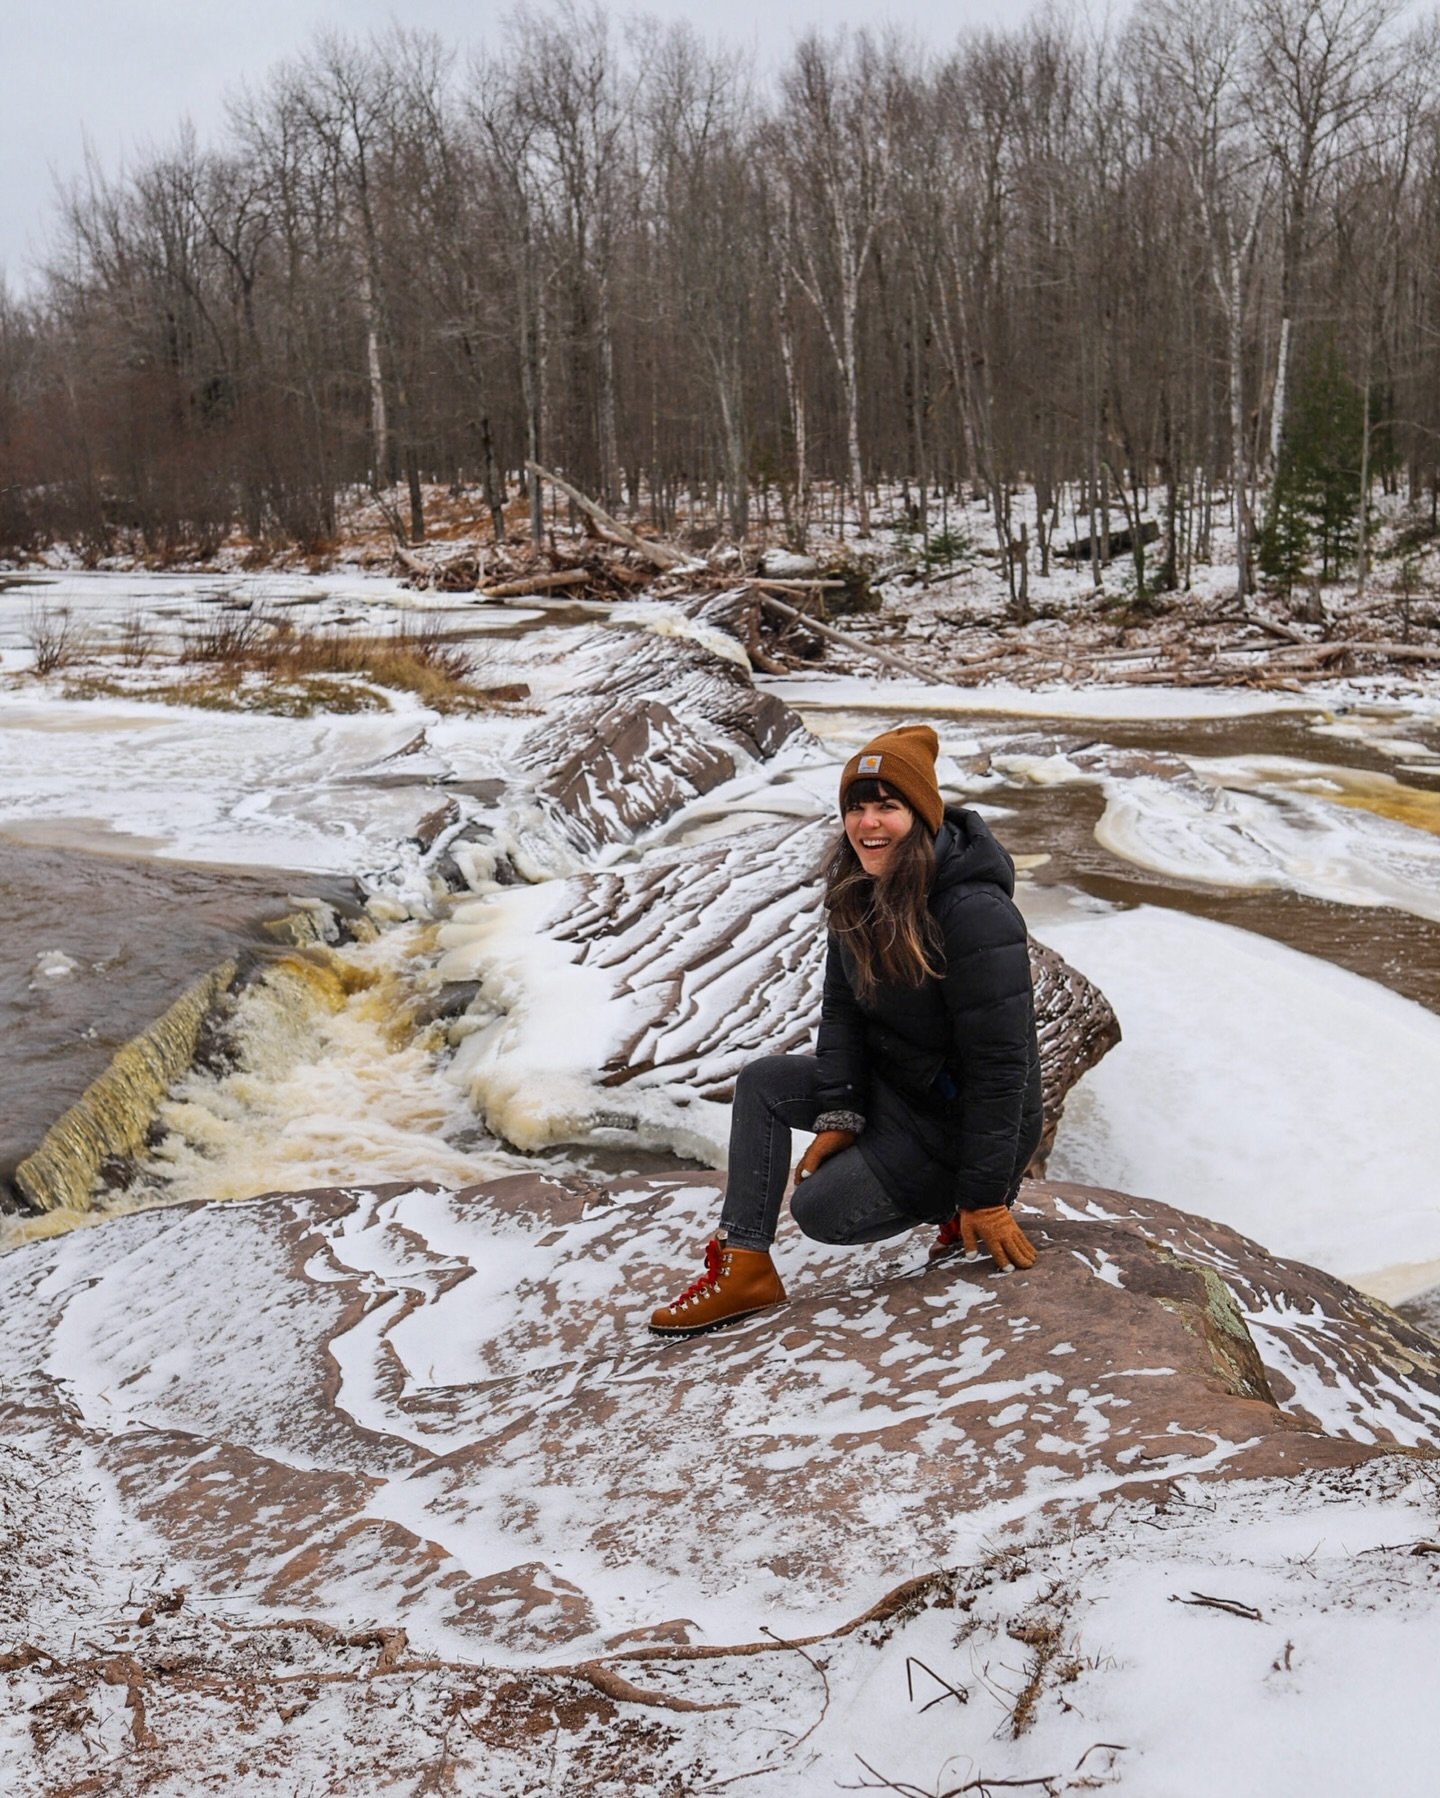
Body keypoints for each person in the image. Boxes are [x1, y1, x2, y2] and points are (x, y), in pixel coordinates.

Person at [650, 722, 1043, 1336]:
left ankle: (952, 1207)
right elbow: (842, 1014)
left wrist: (985, 1194)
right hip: (900, 1093)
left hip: (954, 1122)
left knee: (821, 1211)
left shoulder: (976, 914)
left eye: (887, 806)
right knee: (764, 1082)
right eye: (856, 808)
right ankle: (745, 1263)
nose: (868, 824)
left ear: (921, 813)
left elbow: (1004, 1069)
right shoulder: (860, 893)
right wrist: (840, 1114)